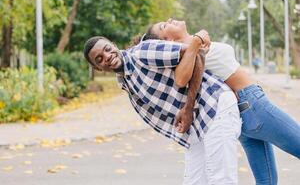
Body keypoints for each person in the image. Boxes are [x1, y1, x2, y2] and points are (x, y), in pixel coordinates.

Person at [138, 18, 300, 185]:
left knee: (267, 181)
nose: (170, 20)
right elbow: (180, 79)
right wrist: (195, 40)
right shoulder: (189, 54)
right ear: (168, 40)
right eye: (165, 25)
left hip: (243, 111)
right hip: (254, 105)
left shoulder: (195, 47)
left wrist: (197, 39)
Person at [83, 35, 241, 184]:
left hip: (214, 106)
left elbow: (197, 52)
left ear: (114, 45)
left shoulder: (142, 52)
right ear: (98, 68)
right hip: (197, 123)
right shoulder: (124, 80)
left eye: (107, 49)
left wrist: (188, 107)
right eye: (100, 59)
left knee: (221, 180)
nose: (107, 56)